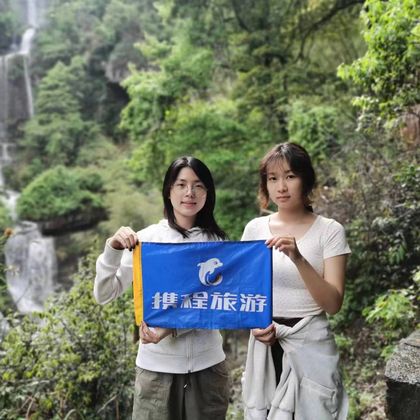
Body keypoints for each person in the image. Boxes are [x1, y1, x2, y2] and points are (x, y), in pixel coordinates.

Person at [94, 156, 230, 420]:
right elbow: (104, 294)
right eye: (181, 184)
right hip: (156, 371)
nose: (189, 193)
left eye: (198, 185)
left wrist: (170, 329)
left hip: (208, 368)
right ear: (169, 191)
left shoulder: (219, 242)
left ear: (207, 193)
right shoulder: (145, 241)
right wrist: (112, 249)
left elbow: (217, 304)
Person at [241, 142, 350, 419]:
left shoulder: (330, 231)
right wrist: (254, 325)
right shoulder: (255, 229)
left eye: (290, 176)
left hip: (311, 346)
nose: (281, 187)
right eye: (273, 178)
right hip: (266, 346)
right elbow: (244, 294)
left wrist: (299, 258)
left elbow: (333, 302)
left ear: (306, 179)